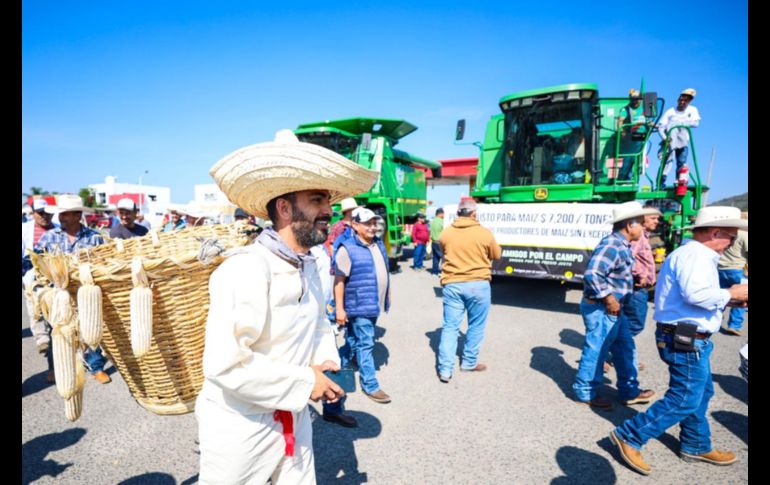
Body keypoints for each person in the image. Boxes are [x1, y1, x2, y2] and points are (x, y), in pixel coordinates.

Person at [197, 129, 378, 484]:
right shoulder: (246, 267)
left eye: (327, 200)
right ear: (284, 208)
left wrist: (324, 358)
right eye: (316, 200)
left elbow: (320, 326)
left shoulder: (310, 265)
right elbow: (226, 365)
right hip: (240, 427)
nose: (329, 210)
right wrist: (304, 381)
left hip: (293, 414)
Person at [610, 206, 748, 475]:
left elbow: (695, 296)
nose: (732, 243)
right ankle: (630, 435)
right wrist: (732, 292)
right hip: (685, 336)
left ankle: (696, 444)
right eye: (730, 237)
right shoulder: (696, 255)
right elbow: (696, 295)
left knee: (699, 393)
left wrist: (730, 297)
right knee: (685, 397)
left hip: (688, 335)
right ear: (715, 232)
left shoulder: (696, 254)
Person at [573, 201, 658, 409]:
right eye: (640, 223)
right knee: (597, 350)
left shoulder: (621, 245)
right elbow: (593, 274)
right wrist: (609, 299)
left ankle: (629, 391)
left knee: (625, 348)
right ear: (630, 225)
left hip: (614, 309)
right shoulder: (612, 245)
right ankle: (585, 392)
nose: (643, 227)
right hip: (603, 308)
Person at [36, 194, 111, 385]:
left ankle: (96, 367)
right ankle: (55, 367)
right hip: (58, 294)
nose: (60, 217)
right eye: (60, 214)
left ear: (77, 215)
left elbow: (104, 263)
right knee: (58, 331)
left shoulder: (94, 238)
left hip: (86, 293)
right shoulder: (49, 237)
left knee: (91, 330)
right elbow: (36, 262)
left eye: (65, 214)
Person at [436, 198, 501, 382]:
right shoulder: (484, 233)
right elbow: (496, 255)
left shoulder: (446, 233)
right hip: (478, 284)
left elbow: (443, 251)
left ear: (458, 213)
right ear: (473, 213)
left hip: (453, 283)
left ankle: (445, 371)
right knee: (476, 325)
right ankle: (469, 363)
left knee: (450, 327)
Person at [332, 207, 392, 404]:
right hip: (359, 304)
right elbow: (339, 281)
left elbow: (382, 271)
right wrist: (339, 309)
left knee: (353, 341)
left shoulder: (378, 244)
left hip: (373, 303)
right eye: (368, 223)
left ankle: (335, 364)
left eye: (374, 223)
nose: (373, 227)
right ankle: (371, 385)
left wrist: (387, 295)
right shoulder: (347, 248)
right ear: (355, 225)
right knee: (366, 343)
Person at [616, 206, 662, 372]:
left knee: (628, 323)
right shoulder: (639, 237)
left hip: (637, 286)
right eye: (653, 218)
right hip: (636, 287)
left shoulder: (644, 236)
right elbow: (628, 257)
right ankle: (613, 352)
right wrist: (639, 275)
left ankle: (625, 355)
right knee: (635, 324)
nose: (657, 221)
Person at [22, 199, 59, 378]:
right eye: (40, 212)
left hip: (54, 280)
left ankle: (55, 346)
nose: (44, 216)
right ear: (33, 212)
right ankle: (42, 339)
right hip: (31, 278)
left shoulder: (58, 228)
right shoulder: (25, 230)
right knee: (35, 310)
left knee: (54, 316)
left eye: (48, 212)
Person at [657, 88, 701, 187]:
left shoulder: (692, 110)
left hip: (683, 141)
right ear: (678, 100)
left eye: (686, 100)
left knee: (681, 162)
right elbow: (661, 126)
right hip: (670, 142)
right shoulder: (670, 111)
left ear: (689, 101)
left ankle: (680, 182)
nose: (683, 102)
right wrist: (665, 138)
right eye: (681, 99)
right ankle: (660, 184)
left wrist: (681, 123)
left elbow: (696, 123)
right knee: (667, 162)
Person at [718, 229, 748, 335]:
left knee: (719, 297)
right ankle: (734, 325)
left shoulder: (726, 233)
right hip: (737, 269)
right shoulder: (745, 235)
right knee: (740, 298)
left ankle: (715, 320)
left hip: (720, 267)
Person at [618, 89, 650, 180]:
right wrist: (622, 131)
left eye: (637, 99)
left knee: (636, 157)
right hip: (630, 137)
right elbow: (620, 121)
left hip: (642, 136)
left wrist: (653, 125)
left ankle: (632, 174)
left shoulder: (645, 109)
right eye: (633, 99)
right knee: (629, 158)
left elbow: (649, 121)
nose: (635, 101)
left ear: (640, 99)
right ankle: (624, 178)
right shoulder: (626, 109)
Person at [429, 208, 445, 275]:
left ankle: (434, 271)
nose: (444, 215)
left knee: (435, 258)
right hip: (440, 243)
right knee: (443, 257)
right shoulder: (442, 221)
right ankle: (443, 272)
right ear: (440, 214)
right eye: (443, 214)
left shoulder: (432, 221)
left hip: (433, 242)